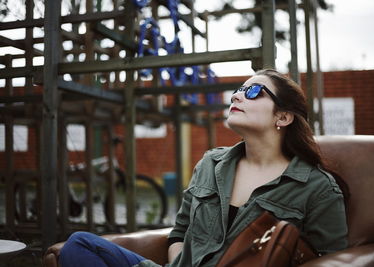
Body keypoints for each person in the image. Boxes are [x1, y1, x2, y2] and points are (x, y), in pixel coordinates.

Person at [59, 69, 348, 267]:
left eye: (254, 91)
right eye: (239, 90)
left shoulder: (317, 187)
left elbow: (330, 260)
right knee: (78, 245)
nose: (236, 96)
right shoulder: (211, 163)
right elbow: (179, 232)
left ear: (283, 117)